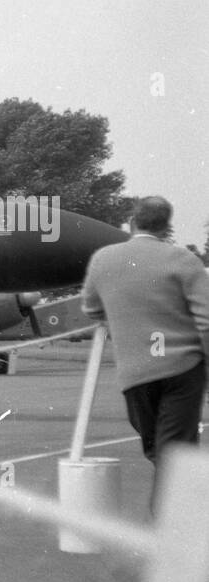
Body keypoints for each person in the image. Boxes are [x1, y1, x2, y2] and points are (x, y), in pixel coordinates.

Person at [81, 196, 209, 507]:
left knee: (159, 452)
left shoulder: (103, 259)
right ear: (166, 227)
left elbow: (91, 308)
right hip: (182, 370)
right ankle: (173, 531)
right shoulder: (183, 259)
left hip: (135, 374)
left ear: (131, 222)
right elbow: (206, 320)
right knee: (175, 455)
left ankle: (171, 527)